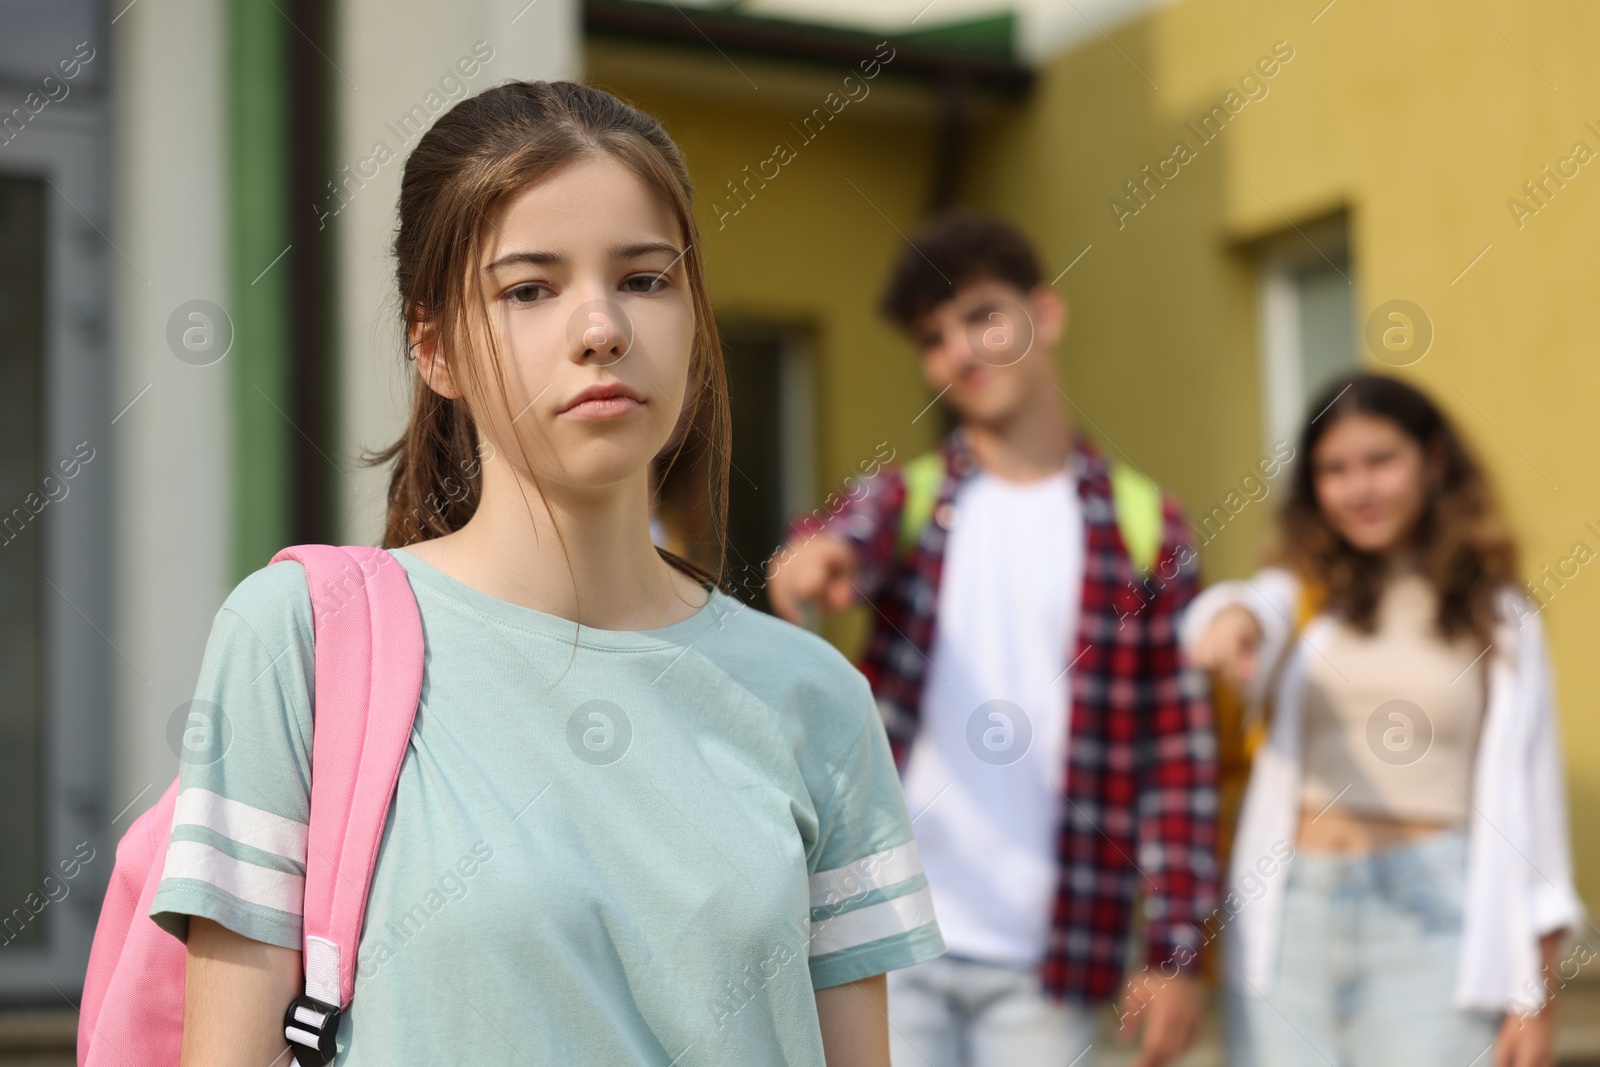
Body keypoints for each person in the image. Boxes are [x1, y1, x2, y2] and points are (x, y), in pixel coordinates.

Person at [147, 80, 944, 1065]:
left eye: (646, 278)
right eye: (529, 288)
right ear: (433, 346)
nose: (600, 326)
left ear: (695, 322)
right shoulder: (303, 637)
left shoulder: (817, 697)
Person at [767, 211, 1218, 1067]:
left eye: (981, 318)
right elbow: (835, 537)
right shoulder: (910, 501)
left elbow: (1176, 752)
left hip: (1048, 956)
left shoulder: (1145, 528)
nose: (960, 353)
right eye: (934, 338)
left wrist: (1175, 951)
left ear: (1045, 315)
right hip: (890, 934)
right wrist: (810, 559)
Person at [1183, 372, 1584, 1067]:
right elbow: (1246, 606)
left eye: (1380, 460)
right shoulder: (1305, 595)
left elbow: (1537, 813)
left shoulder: (1500, 614)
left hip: (1437, 914)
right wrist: (1230, 620)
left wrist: (1534, 995)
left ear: (1433, 461)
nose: (1359, 487)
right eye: (1334, 470)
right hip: (1291, 911)